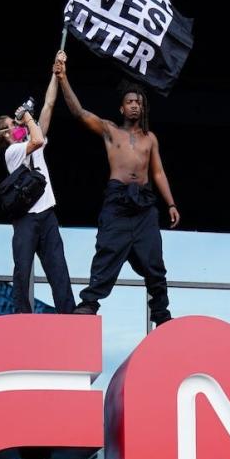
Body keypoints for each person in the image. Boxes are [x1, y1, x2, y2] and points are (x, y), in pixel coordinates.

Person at [56, 55, 180, 324]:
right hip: (117, 203)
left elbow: (158, 172)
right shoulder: (110, 131)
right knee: (108, 252)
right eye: (130, 102)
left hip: (145, 205)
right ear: (121, 108)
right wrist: (63, 78)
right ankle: (89, 303)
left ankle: (161, 314)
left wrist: (170, 203)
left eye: (138, 102)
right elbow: (79, 112)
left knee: (154, 262)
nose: (135, 105)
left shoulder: (150, 138)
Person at [0, 52, 75, 315]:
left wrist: (56, 73)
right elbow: (36, 140)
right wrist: (26, 118)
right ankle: (21, 316)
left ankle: (69, 314)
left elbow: (48, 106)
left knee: (58, 268)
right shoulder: (12, 152)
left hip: (47, 215)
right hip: (26, 219)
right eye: (11, 125)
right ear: (4, 135)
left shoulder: (30, 135)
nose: (17, 125)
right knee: (22, 268)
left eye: (15, 122)